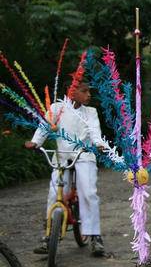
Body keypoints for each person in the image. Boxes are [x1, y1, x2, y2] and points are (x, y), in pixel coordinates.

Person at [25, 80, 106, 256]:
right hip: (61, 155)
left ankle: (94, 236)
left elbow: (94, 131)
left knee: (88, 192)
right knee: (54, 192)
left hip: (83, 155)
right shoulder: (56, 109)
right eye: (84, 91)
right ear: (72, 92)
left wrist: (99, 144)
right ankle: (48, 236)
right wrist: (35, 141)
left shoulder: (90, 112)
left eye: (88, 91)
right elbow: (44, 126)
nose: (89, 94)